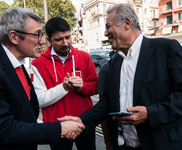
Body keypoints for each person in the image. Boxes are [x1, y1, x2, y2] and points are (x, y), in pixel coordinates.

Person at [59, 3, 182, 150]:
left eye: (108, 26)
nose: (105, 33)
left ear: (127, 23)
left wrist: (150, 113)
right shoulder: (115, 62)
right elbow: (108, 103)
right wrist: (80, 120)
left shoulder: (166, 49)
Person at [0, 8, 85, 150]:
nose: (43, 41)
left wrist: (58, 128)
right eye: (37, 35)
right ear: (14, 37)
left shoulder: (16, 61)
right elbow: (3, 129)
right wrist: (58, 129)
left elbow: (24, 115)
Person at [31, 17, 98, 150]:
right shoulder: (37, 63)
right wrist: (63, 88)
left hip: (84, 122)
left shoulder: (84, 57)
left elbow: (95, 87)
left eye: (68, 37)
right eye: (58, 39)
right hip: (57, 127)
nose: (65, 43)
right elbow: (38, 100)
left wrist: (82, 87)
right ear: (49, 40)